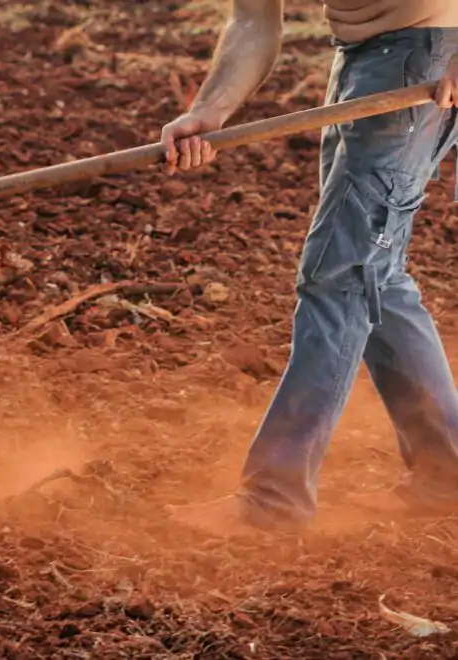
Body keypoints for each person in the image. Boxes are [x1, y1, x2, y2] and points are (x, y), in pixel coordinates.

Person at [162, 0, 458, 536]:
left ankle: (274, 500)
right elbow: (254, 23)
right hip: (367, 61)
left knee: (340, 276)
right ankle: (447, 472)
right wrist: (210, 110)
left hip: (426, 58)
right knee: (373, 274)